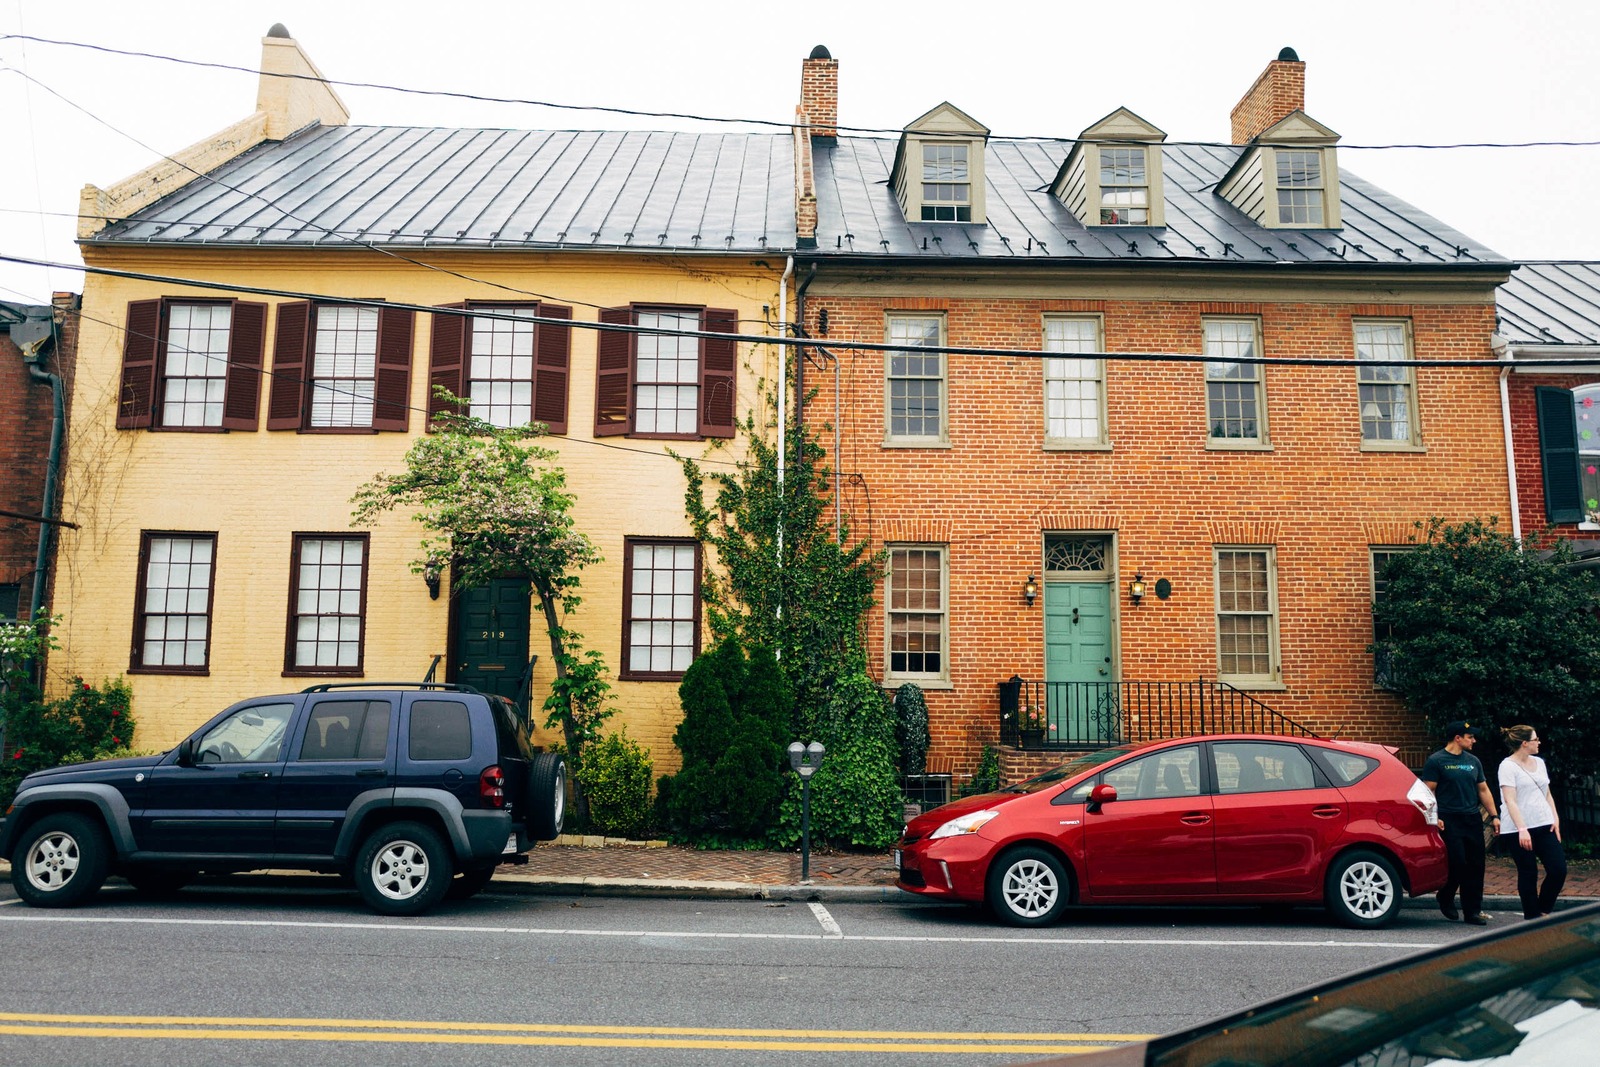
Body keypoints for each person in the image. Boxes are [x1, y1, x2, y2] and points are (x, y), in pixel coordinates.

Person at [1421, 721, 1500, 925]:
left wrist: (1494, 816)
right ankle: (1445, 896)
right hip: (1448, 819)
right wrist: (1434, 816)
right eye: (1470, 737)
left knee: (1476, 865)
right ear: (1458, 738)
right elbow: (1428, 791)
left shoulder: (1473, 761)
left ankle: (1472, 911)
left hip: (1471, 818)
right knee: (1457, 862)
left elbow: (1483, 789)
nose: (1474, 740)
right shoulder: (1437, 761)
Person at [1497, 725, 1566, 920]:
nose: (1539, 742)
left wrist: (1555, 819)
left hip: (1544, 824)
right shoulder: (1507, 766)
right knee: (1528, 872)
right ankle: (1532, 915)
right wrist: (1522, 829)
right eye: (1536, 739)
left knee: (1558, 869)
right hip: (1518, 828)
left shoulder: (1539, 762)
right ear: (1524, 743)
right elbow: (1510, 799)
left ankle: (1543, 909)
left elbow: (1546, 793)